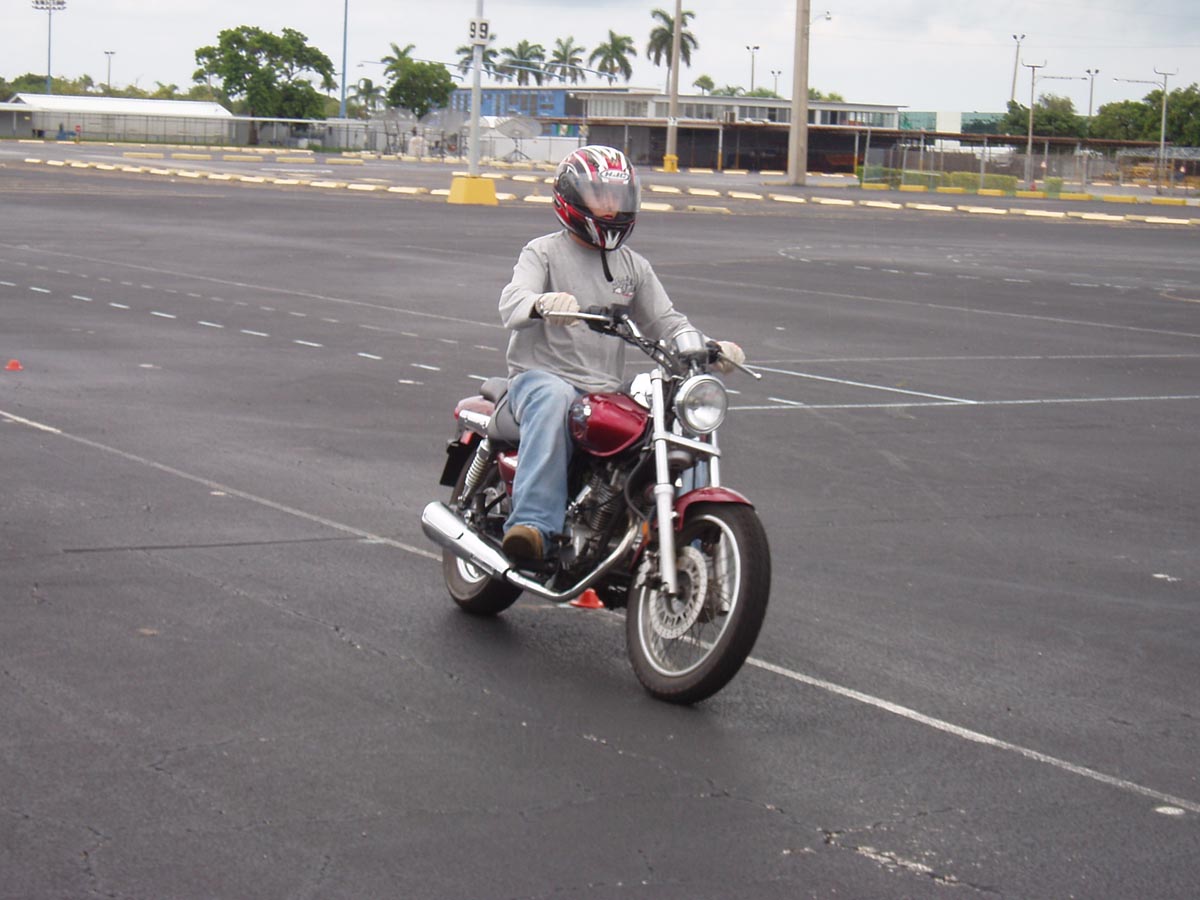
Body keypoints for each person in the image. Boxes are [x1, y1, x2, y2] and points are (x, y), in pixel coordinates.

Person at [497, 145, 744, 561]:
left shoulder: (634, 267)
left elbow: (666, 322)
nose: (611, 207)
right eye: (600, 197)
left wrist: (707, 348)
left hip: (603, 389)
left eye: (617, 197)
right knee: (554, 396)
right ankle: (533, 526)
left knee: (668, 412)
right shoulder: (543, 252)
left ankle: (677, 533)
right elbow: (512, 300)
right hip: (540, 378)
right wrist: (541, 303)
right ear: (570, 197)